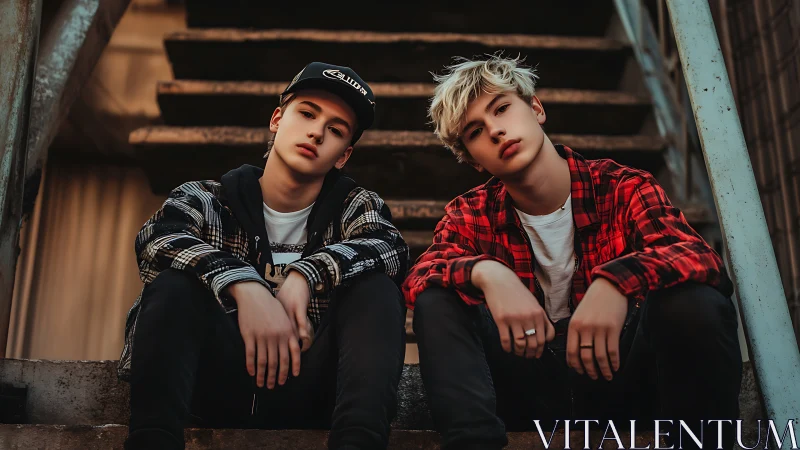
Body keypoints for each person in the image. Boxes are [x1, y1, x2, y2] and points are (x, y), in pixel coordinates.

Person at [402, 54, 742, 450]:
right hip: (525, 391)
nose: (495, 131)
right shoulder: (469, 213)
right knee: (438, 299)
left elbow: (699, 258)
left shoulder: (622, 187)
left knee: (693, 300)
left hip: (621, 379)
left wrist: (616, 281)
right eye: (476, 131)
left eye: (502, 108)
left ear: (535, 108)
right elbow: (420, 276)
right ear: (473, 160)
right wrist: (488, 274)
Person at [119, 62, 409, 450]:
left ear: (344, 155)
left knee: (378, 290)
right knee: (173, 285)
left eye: (336, 130)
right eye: (307, 113)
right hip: (214, 385)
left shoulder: (355, 207)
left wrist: (305, 276)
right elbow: (156, 240)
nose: (317, 132)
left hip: (314, 391)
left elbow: (390, 248)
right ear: (277, 119)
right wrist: (244, 284)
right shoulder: (208, 198)